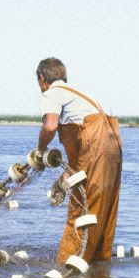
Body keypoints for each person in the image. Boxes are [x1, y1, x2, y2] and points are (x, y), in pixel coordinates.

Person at [34, 57, 123, 265]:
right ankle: (97, 271)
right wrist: (63, 180)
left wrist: (40, 150)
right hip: (112, 145)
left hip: (96, 143)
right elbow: (83, 157)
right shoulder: (80, 93)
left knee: (81, 206)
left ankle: (68, 268)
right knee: (102, 208)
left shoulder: (52, 92)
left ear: (41, 78)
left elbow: (50, 125)